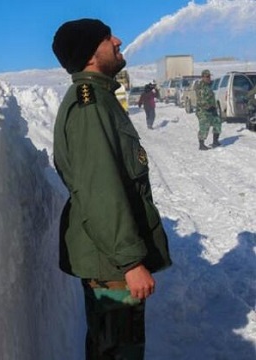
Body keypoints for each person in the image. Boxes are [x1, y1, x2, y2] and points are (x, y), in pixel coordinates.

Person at [51, 19, 172, 359]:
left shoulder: (100, 98)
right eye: (107, 38)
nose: (118, 40)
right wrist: (131, 263)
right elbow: (100, 191)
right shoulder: (90, 107)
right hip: (113, 268)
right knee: (120, 353)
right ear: (90, 55)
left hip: (111, 263)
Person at [195, 69, 222, 150]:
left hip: (212, 109)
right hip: (203, 111)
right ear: (203, 77)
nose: (209, 78)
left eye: (209, 76)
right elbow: (201, 101)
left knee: (217, 122)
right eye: (207, 76)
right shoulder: (201, 87)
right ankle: (201, 144)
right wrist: (209, 106)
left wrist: (213, 107)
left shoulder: (208, 85)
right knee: (204, 127)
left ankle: (215, 141)